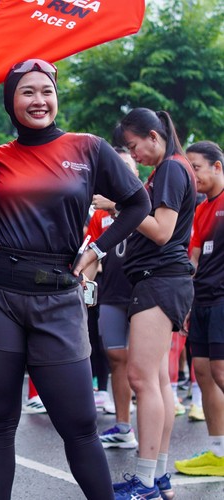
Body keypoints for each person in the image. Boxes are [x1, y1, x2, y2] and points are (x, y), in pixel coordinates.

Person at [0, 59, 150, 500]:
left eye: (46, 91)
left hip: (59, 296)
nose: (39, 100)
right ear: (10, 101)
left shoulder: (89, 148)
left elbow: (138, 204)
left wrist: (96, 250)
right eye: (27, 92)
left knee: (80, 424)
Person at [112, 108, 197, 499]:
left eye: (134, 147)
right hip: (164, 281)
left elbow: (162, 231)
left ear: (152, 136)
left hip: (160, 280)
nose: (135, 154)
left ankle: (145, 482)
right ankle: (157, 476)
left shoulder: (170, 169)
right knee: (157, 381)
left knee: (142, 379)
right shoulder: (173, 167)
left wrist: (121, 208)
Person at [174, 140, 224, 477]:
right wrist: (185, 302)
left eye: (196, 168)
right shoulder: (201, 209)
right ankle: (219, 455)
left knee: (220, 371)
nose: (192, 176)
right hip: (201, 300)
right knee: (204, 374)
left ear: (217, 166)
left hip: (222, 300)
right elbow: (192, 260)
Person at [86, 148, 139, 449]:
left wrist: (118, 206)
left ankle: (155, 447)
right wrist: (84, 287)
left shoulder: (147, 200)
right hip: (111, 293)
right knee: (116, 359)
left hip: (143, 293)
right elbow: (92, 255)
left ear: (136, 171)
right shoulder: (99, 214)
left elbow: (159, 231)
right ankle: (123, 427)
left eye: (127, 165)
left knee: (145, 368)